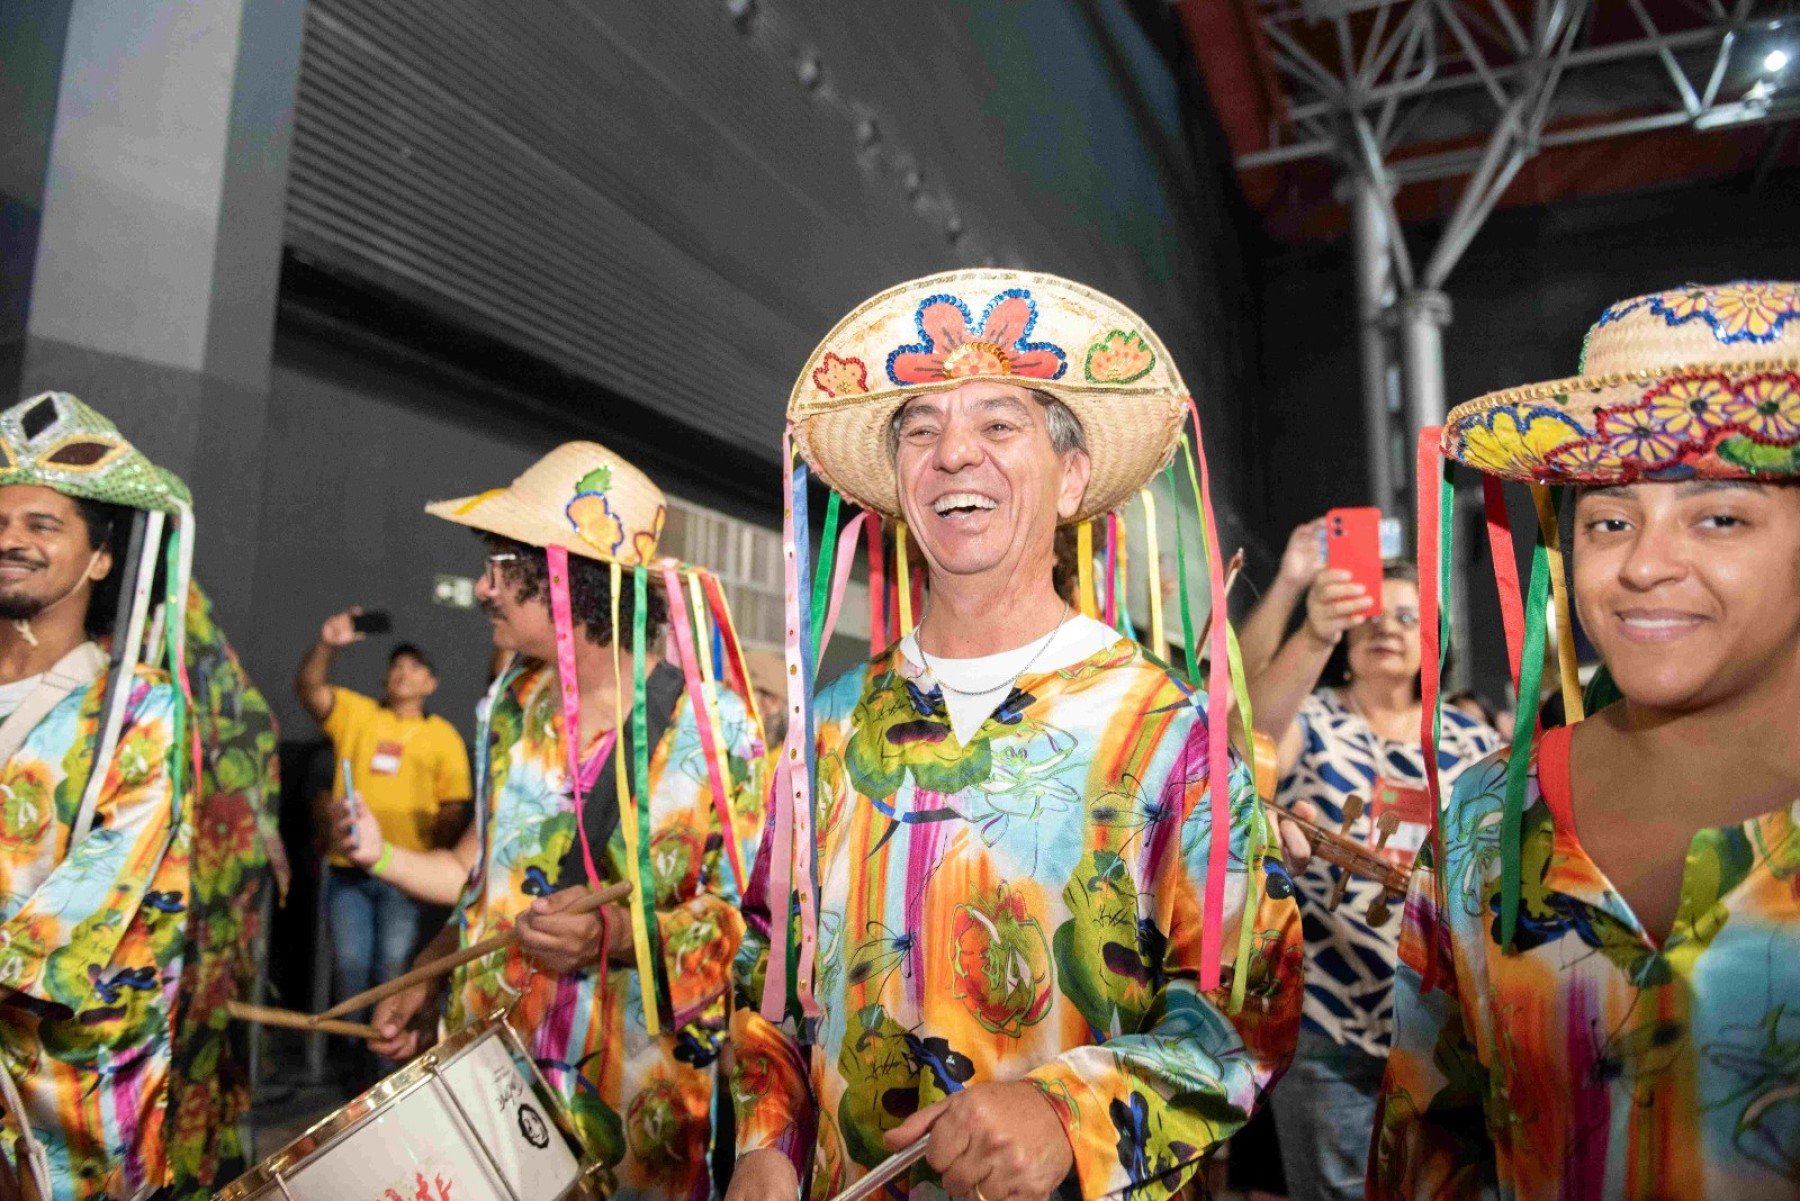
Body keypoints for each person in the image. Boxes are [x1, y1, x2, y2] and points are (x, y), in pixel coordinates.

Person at [728, 270, 1304, 1200]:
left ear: (1072, 475)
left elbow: (1249, 1008)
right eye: (921, 428)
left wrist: (1069, 1111)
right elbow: (768, 967)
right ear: (898, 484)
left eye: (999, 424)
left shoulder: (1167, 733)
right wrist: (765, 1140)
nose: (955, 452)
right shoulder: (828, 729)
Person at [1372, 280, 1800, 1199]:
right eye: (1609, 519)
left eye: (1718, 515)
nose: (1644, 563)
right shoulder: (1489, 822)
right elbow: (1430, 1149)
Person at [334, 441, 764, 1197]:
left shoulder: (718, 730)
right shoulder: (508, 705)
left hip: (634, 1117)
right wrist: (431, 971)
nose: (481, 588)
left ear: (571, 579)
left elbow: (754, 932)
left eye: (502, 565)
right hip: (486, 1092)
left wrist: (618, 936)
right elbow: (488, 878)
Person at [1246, 544, 1500, 1201]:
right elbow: (1250, 732)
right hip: (1328, 1025)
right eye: (1371, 615)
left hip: (1444, 1029)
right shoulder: (1315, 717)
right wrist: (1313, 627)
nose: (1388, 627)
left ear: (1435, 642)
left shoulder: (1469, 740)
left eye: (1408, 618)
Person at [0, 392, 199, 1201]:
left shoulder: (136, 707)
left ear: (101, 559)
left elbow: (97, 893)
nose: (10, 537)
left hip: (59, 1086)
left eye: (42, 524)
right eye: (1, 519)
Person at [295, 623, 470, 1041]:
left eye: (414, 668)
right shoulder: (359, 715)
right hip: (348, 872)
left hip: (404, 877)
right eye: (396, 666)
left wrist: (433, 851)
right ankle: (355, 1056)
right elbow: (309, 688)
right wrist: (326, 643)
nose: (402, 674)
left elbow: (455, 806)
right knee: (351, 966)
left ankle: (384, 1060)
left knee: (394, 966)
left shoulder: (443, 736)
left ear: (431, 682)